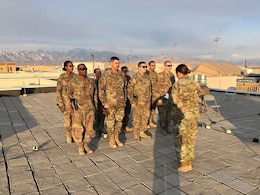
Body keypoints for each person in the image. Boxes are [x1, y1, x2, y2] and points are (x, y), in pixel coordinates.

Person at [171, 64, 201, 172]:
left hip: (182, 116)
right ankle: (190, 162)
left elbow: (174, 100)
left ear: (179, 73)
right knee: (191, 139)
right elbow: (199, 93)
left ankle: (183, 164)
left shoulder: (178, 84)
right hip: (193, 115)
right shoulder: (194, 82)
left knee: (182, 139)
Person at [68, 64, 96, 155]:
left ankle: (86, 144)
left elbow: (94, 95)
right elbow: (68, 95)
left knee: (89, 129)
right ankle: (80, 146)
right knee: (78, 129)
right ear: (78, 70)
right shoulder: (73, 82)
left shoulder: (90, 81)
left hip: (89, 109)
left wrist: (95, 107)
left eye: (85, 69)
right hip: (78, 109)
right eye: (82, 69)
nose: (84, 70)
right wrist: (71, 109)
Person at [99, 56, 127, 148]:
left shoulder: (121, 75)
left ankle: (116, 137)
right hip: (110, 103)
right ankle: (111, 139)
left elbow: (125, 89)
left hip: (120, 103)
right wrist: (104, 103)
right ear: (111, 63)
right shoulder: (106, 74)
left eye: (118, 63)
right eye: (116, 63)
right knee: (110, 123)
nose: (117, 65)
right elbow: (101, 89)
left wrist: (125, 100)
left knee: (119, 121)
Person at [128, 61, 152, 141]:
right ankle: (136, 134)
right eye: (143, 67)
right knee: (137, 118)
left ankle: (142, 131)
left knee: (145, 117)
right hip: (138, 101)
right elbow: (129, 90)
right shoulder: (135, 78)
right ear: (139, 68)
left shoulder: (147, 77)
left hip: (146, 102)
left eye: (146, 67)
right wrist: (132, 101)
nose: (145, 68)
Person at [153, 60, 175, 135]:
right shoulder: (160, 75)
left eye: (171, 65)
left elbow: (173, 87)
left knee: (169, 114)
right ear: (165, 66)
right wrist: (158, 98)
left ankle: (167, 127)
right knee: (162, 114)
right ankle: (162, 128)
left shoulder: (172, 75)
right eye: (168, 65)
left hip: (170, 98)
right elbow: (155, 87)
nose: (170, 67)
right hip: (162, 98)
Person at [56, 61, 75, 143]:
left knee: (75, 120)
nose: (72, 67)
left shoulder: (75, 76)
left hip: (75, 103)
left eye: (72, 66)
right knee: (67, 121)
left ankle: (75, 135)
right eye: (70, 66)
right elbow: (58, 91)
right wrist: (60, 103)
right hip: (66, 102)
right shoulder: (62, 77)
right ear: (66, 67)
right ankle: (68, 136)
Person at [93, 68, 106, 138]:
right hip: (95, 102)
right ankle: (97, 131)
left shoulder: (102, 82)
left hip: (102, 102)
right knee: (96, 117)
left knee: (102, 117)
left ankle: (101, 129)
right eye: (98, 73)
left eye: (100, 73)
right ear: (94, 74)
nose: (99, 74)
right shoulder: (92, 82)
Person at [146, 61, 158, 128]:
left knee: (153, 109)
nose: (153, 67)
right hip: (148, 94)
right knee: (147, 109)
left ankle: (150, 121)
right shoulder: (147, 73)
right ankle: (146, 123)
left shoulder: (155, 73)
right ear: (149, 66)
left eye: (154, 65)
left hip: (154, 94)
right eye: (152, 65)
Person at [121, 66, 133, 133]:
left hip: (128, 98)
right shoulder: (120, 79)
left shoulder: (129, 78)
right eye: (125, 71)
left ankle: (125, 125)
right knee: (121, 114)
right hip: (122, 99)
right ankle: (121, 127)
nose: (126, 72)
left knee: (127, 113)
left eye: (127, 71)